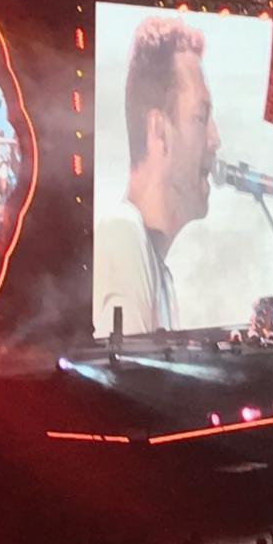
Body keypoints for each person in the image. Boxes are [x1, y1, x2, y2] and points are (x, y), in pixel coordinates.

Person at [93, 17, 220, 337]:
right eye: (201, 117)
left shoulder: (155, 266)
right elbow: (128, 366)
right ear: (159, 131)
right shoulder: (122, 235)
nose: (215, 139)